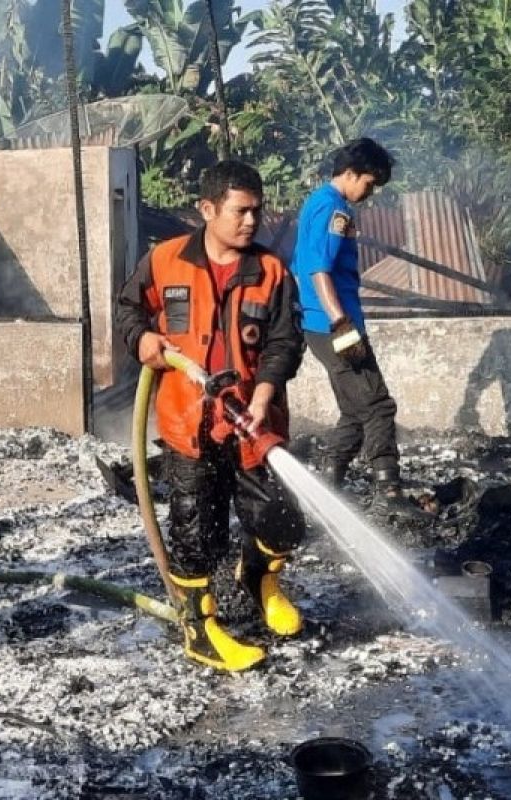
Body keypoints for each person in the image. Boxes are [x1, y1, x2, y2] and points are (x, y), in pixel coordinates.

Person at [115, 160, 308, 672]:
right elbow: (128, 310)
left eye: (257, 211)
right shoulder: (164, 261)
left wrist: (265, 393)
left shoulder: (271, 272)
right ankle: (200, 631)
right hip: (189, 426)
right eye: (241, 211)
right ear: (207, 210)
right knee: (195, 533)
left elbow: (286, 341)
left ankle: (259, 579)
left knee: (282, 520)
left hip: (255, 425)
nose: (252, 221)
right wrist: (144, 341)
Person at [291, 137, 426, 522]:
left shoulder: (320, 202)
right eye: (368, 183)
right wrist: (340, 322)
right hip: (333, 323)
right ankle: (389, 492)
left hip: (322, 324)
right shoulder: (334, 210)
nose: (370, 192)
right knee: (378, 405)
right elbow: (317, 268)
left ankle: (329, 482)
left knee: (354, 409)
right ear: (349, 174)